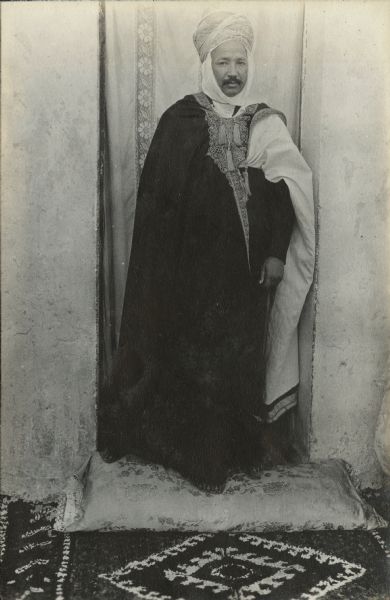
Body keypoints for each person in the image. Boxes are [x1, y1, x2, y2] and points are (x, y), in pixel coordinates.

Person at [98, 11, 315, 492]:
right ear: (206, 63)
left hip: (245, 278)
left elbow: (285, 197)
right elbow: (159, 210)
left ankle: (236, 453)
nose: (233, 73)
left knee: (236, 363)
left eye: (240, 62)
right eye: (223, 62)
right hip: (189, 279)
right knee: (193, 368)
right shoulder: (181, 120)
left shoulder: (265, 124)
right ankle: (199, 461)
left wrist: (277, 253)